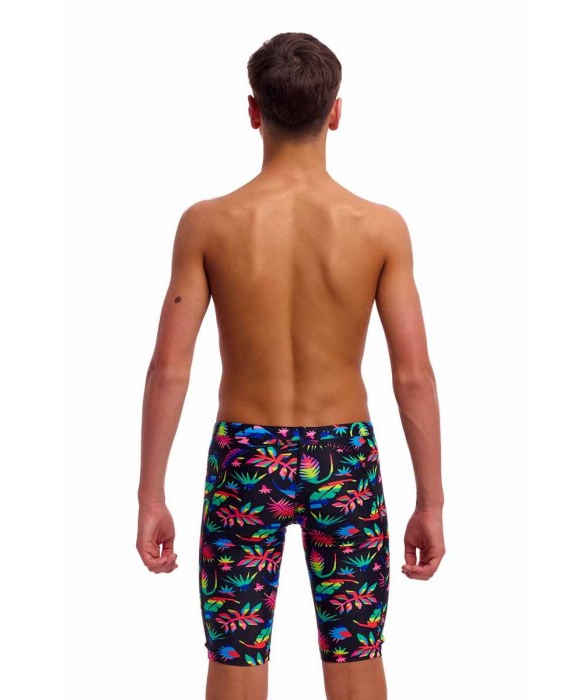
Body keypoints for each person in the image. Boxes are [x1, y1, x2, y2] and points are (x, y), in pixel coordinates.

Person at [136, 31, 445, 700]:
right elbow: (413, 376)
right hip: (344, 458)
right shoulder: (379, 227)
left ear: (254, 111)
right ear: (336, 112)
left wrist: (150, 495)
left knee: (236, 659)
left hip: (245, 456)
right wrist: (431, 502)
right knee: (357, 658)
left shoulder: (209, 224)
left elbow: (169, 369)